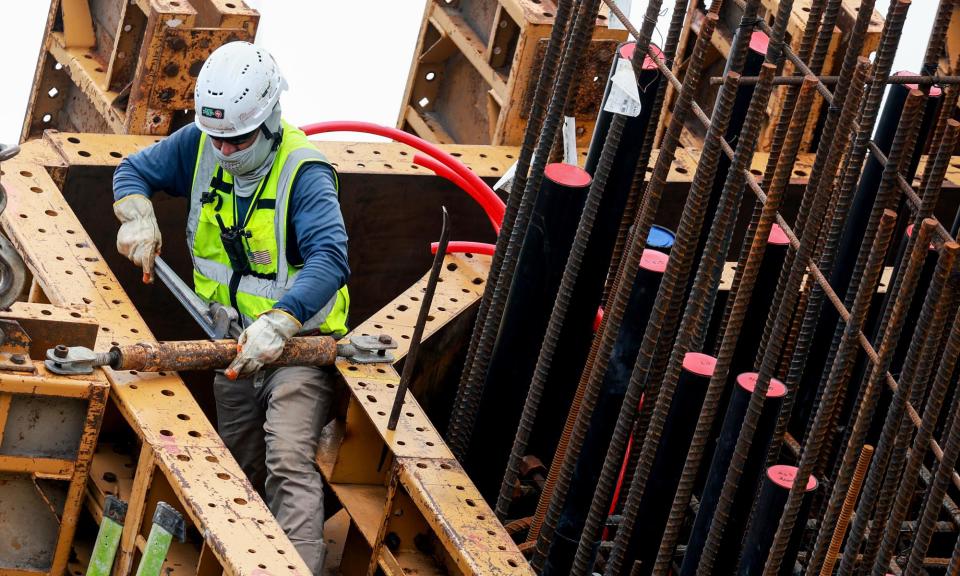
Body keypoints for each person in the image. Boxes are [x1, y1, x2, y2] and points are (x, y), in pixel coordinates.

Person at [111, 41, 349, 573]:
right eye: (216, 138)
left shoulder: (303, 172)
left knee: (288, 458)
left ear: (270, 120)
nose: (223, 151)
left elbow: (330, 260)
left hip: (298, 350)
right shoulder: (199, 143)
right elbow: (132, 171)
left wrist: (282, 321)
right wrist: (137, 214)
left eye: (237, 139)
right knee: (237, 470)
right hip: (231, 347)